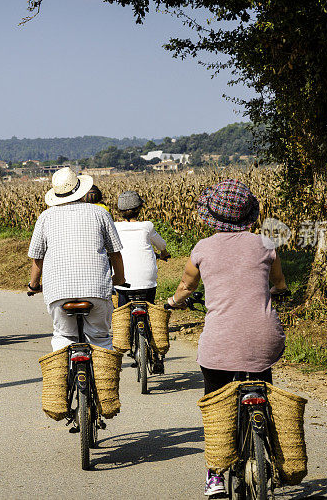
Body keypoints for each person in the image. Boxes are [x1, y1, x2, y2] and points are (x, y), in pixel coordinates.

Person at [165, 179, 288, 497]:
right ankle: (272, 453)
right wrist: (275, 293)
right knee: (264, 385)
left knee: (216, 404)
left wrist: (172, 302)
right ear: (249, 215)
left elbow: (186, 288)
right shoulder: (265, 245)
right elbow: (279, 285)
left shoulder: (202, 249)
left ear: (211, 217)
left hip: (219, 344)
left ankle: (215, 475)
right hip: (266, 338)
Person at [27, 167, 126, 351]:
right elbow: (115, 253)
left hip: (58, 292)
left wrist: (33, 285)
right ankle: (104, 376)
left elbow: (37, 259)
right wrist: (119, 279)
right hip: (96, 289)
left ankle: (61, 375)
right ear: (80, 189)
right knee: (100, 338)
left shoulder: (45, 217)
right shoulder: (100, 213)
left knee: (63, 336)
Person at [113, 190, 171, 372]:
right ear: (139, 209)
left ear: (120, 211)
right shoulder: (147, 226)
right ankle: (156, 354)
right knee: (151, 313)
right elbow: (161, 245)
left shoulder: (114, 227)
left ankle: (128, 341)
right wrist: (163, 253)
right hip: (147, 280)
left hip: (122, 280)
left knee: (123, 312)